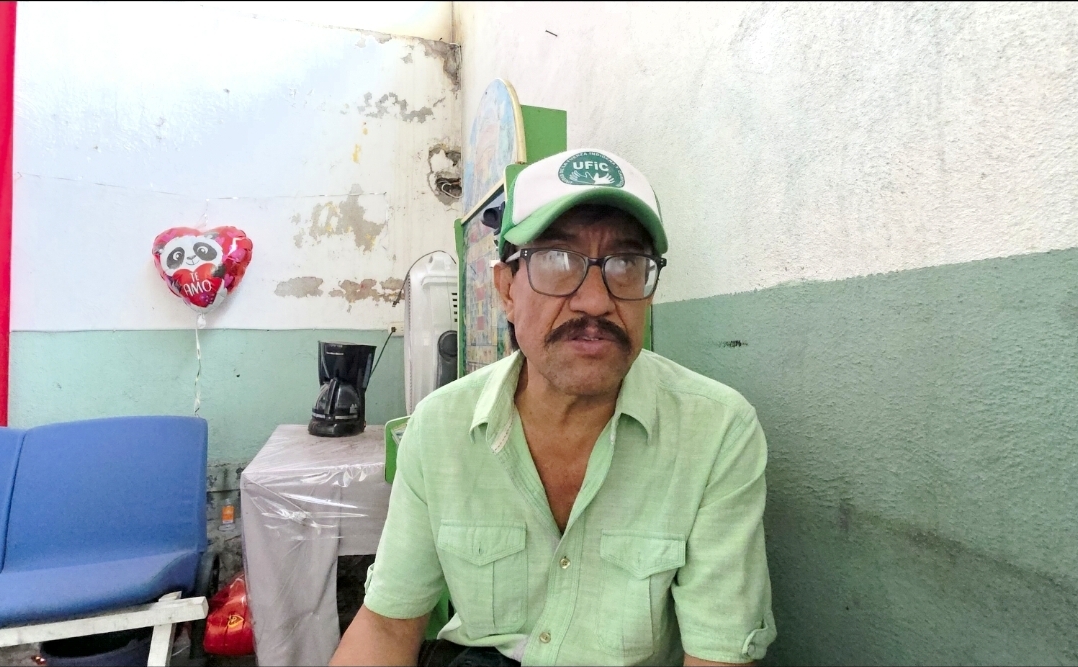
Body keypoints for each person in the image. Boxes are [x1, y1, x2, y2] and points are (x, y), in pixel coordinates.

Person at [330, 149, 775, 666]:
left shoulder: (715, 431)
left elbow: (718, 654)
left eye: (626, 265)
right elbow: (387, 625)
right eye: (557, 261)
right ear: (506, 289)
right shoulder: (441, 427)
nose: (595, 301)